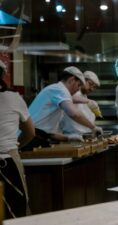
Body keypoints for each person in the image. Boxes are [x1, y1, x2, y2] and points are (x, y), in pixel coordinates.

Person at [28, 66, 103, 142]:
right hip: (30, 136)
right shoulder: (59, 90)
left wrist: (68, 138)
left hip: (38, 136)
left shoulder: (60, 92)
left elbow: (49, 132)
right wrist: (93, 127)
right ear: (72, 80)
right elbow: (74, 114)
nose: (78, 89)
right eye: (78, 85)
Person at [0, 60, 35, 218]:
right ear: (3, 76)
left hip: (7, 156)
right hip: (9, 157)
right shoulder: (14, 98)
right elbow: (30, 132)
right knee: (17, 210)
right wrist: (17, 147)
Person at [60, 71, 101, 135]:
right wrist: (88, 101)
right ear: (83, 80)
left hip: (85, 134)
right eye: (90, 84)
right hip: (73, 134)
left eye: (94, 87)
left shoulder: (84, 96)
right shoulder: (74, 92)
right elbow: (70, 98)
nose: (92, 89)